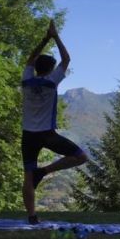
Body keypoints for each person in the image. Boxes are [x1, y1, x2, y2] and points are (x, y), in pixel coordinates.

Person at [21, 20, 87, 224]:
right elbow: (66, 59)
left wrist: (45, 39)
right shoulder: (51, 82)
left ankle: (32, 216)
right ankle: (45, 171)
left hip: (28, 135)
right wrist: (55, 36)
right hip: (47, 134)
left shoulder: (26, 80)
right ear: (50, 69)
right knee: (80, 157)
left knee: (28, 176)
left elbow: (30, 59)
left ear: (36, 68)